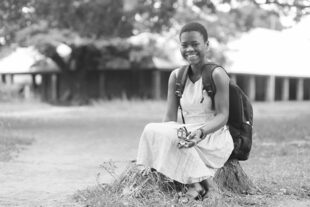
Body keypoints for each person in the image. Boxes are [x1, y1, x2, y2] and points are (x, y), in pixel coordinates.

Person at [136, 22, 234, 202]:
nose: (189, 49)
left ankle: (206, 187)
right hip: (186, 132)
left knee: (177, 135)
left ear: (206, 45)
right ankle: (196, 184)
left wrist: (200, 132)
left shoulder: (217, 75)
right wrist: (163, 138)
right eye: (184, 45)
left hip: (212, 136)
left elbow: (223, 116)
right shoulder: (176, 76)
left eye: (195, 44)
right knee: (151, 129)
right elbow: (169, 117)